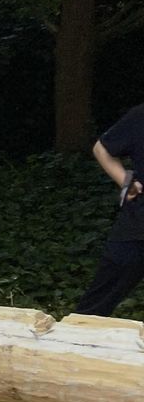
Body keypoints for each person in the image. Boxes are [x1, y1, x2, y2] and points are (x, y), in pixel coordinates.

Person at [75, 104, 144, 317]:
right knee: (96, 304)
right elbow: (101, 149)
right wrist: (125, 180)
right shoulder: (140, 115)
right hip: (138, 224)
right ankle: (76, 340)